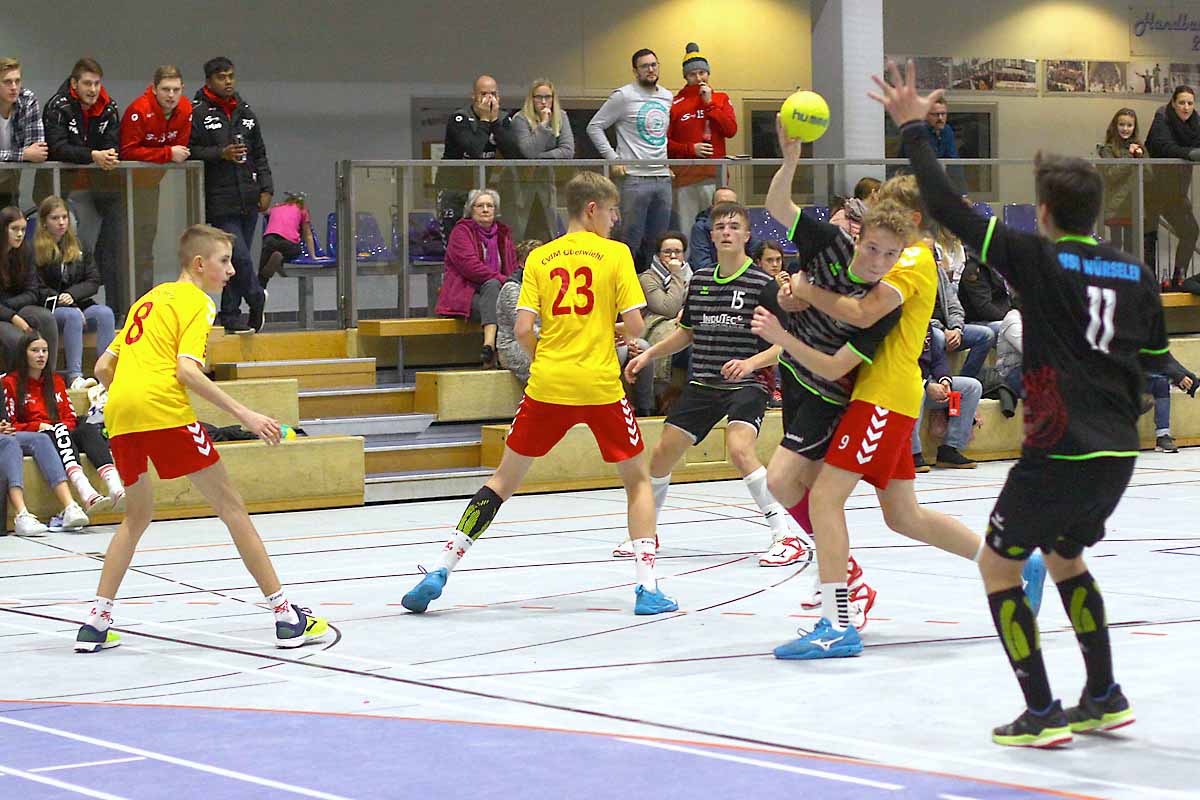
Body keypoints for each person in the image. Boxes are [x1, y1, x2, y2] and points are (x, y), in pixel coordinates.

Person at [878, 59, 1199, 747]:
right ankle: (1104, 695)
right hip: (1119, 451)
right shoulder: (1136, 271)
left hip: (1057, 448)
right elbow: (1153, 357)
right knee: (1064, 556)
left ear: (1045, 214)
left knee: (998, 566)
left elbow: (947, 206)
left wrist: (912, 128)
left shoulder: (1036, 255)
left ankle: (1042, 710)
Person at [761, 169, 1045, 660]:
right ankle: (1009, 563)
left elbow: (862, 312)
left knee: (825, 499)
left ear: (911, 217)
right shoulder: (900, 253)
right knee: (903, 516)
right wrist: (798, 288)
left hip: (883, 395)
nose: (878, 224)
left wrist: (805, 290)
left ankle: (837, 624)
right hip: (881, 392)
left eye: (887, 207)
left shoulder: (911, 259)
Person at [402, 172, 676, 615]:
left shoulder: (541, 257)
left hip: (548, 382)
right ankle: (648, 588)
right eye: (612, 212)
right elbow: (637, 325)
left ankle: (440, 568)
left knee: (502, 481)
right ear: (592, 209)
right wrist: (605, 331)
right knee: (638, 481)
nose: (615, 220)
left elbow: (523, 328)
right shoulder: (616, 254)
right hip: (599, 385)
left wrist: (547, 355)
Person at [74, 224, 330, 653]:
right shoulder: (198, 302)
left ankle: (95, 623)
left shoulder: (149, 299)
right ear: (199, 264)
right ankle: (287, 616)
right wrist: (246, 414)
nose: (231, 270)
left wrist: (133, 396)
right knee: (232, 508)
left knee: (136, 517)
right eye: (224, 261)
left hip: (120, 412)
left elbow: (102, 367)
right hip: (163, 409)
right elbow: (186, 371)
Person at [617, 200, 794, 563]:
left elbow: (786, 343)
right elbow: (686, 333)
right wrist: (649, 355)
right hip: (704, 383)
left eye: (734, 226)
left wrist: (749, 363)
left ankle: (785, 535)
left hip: (748, 382)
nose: (727, 232)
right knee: (661, 454)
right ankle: (646, 532)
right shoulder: (699, 280)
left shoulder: (763, 285)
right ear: (711, 236)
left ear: (746, 235)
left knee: (740, 449)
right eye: (720, 227)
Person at [189, 57, 273, 333]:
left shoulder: (245, 112)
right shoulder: (197, 112)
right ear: (209, 80)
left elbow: (259, 153)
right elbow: (191, 151)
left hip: (248, 195)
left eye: (231, 77)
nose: (228, 82)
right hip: (219, 198)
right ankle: (257, 296)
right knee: (238, 257)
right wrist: (220, 154)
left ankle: (231, 314)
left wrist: (266, 188)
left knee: (234, 261)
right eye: (221, 77)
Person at [4, 330, 120, 516]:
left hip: (61, 430)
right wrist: (37, 427)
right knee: (58, 432)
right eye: (35, 350)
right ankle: (86, 492)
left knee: (87, 428)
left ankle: (115, 486)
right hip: (38, 436)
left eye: (45, 351)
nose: (41, 355)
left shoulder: (55, 380)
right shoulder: (10, 383)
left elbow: (69, 415)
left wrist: (62, 427)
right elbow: (10, 425)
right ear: (23, 353)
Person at [42, 58, 124, 314]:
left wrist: (108, 155)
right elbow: (57, 147)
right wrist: (92, 156)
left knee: (93, 249)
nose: (93, 89)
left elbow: (114, 143)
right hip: (60, 186)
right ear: (74, 84)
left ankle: (99, 304)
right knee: (60, 244)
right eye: (87, 83)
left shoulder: (109, 107)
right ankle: (57, 301)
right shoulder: (58, 106)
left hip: (98, 190)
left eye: (97, 83)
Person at [587, 48, 674, 270]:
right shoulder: (623, 96)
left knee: (658, 243)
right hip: (634, 179)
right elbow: (594, 126)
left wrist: (668, 163)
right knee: (629, 241)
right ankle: (624, 286)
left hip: (662, 178)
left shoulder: (667, 96)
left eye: (654, 65)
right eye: (644, 66)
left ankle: (652, 288)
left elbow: (661, 135)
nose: (650, 70)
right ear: (635, 71)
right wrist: (614, 159)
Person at [120, 65, 192, 297]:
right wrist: (167, 153)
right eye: (165, 89)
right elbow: (127, 151)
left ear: (182, 89)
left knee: (146, 242)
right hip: (125, 186)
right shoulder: (139, 110)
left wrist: (168, 154)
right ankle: (128, 298)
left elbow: (182, 148)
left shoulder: (186, 108)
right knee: (129, 244)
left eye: (176, 90)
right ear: (154, 89)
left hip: (154, 184)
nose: (171, 95)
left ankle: (146, 295)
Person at [33, 195, 115, 390]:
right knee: (72, 316)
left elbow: (93, 280)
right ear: (44, 222)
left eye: (64, 217)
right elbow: (36, 286)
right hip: (51, 307)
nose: (61, 222)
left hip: (78, 302)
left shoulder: (79, 245)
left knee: (105, 313)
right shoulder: (35, 250)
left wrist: (72, 296)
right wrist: (65, 301)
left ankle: (107, 372)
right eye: (55, 218)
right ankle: (75, 376)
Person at [435, 189, 517, 368]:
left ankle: (489, 347)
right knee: (498, 298)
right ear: (471, 210)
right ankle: (498, 353)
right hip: (465, 294)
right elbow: (471, 268)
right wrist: (504, 280)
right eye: (480, 206)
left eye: (490, 206)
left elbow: (512, 266)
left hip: (495, 293)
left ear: (496, 210)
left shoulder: (503, 233)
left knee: (496, 291)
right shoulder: (460, 232)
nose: (485, 210)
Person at [667, 43, 737, 232]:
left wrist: (710, 104)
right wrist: (690, 149)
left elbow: (731, 130)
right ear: (685, 76)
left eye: (702, 73)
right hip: (685, 179)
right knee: (688, 230)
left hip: (715, 177)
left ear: (708, 73)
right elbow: (664, 143)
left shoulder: (721, 98)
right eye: (692, 74)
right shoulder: (675, 103)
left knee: (719, 228)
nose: (698, 78)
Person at [436, 75, 514, 238]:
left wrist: (495, 122)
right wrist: (485, 120)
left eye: (493, 94)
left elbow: (512, 153)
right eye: (484, 94)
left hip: (481, 189)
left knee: (481, 239)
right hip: (453, 189)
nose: (489, 99)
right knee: (455, 240)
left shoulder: (502, 118)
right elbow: (474, 150)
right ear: (473, 96)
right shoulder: (459, 118)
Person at [1144, 86, 1200, 289]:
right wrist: (1190, 154)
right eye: (1182, 102)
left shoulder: (1196, 122)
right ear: (1173, 103)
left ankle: (1179, 278)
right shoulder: (1162, 117)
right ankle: (1149, 283)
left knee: (1190, 231)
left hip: (1176, 193)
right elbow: (1162, 146)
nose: (1186, 107)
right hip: (1152, 190)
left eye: (1190, 103)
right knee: (1149, 237)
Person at [507, 79, 574, 242]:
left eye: (548, 97)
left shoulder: (561, 117)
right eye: (539, 97)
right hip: (521, 184)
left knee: (548, 231)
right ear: (531, 98)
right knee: (522, 232)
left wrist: (539, 158)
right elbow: (528, 150)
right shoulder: (520, 119)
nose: (544, 102)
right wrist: (543, 125)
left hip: (547, 181)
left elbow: (567, 151)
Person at [912, 321, 981, 471]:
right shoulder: (897, 324)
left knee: (971, 387)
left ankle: (950, 450)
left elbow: (938, 359)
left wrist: (944, 380)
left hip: (926, 382)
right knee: (917, 389)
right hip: (903, 384)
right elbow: (901, 365)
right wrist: (926, 385)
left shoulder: (926, 325)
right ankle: (912, 453)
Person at [0, 206, 58, 371]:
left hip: (17, 307)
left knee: (46, 318)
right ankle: (18, 383)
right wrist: (13, 317)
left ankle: (49, 376)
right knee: (18, 338)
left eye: (23, 229)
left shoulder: (26, 251)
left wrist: (10, 308)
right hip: (3, 315)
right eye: (14, 229)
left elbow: (33, 292)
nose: (20, 234)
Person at [930, 236, 995, 378]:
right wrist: (943, 330)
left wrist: (956, 329)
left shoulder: (939, 272)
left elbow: (954, 305)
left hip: (951, 327)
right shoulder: (910, 276)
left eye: (932, 253)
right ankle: (936, 380)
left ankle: (966, 380)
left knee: (986, 335)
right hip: (929, 330)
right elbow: (918, 317)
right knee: (938, 337)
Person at [1095, 108, 1145, 256]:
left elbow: (1149, 175)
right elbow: (1112, 174)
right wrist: (1130, 156)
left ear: (1134, 127)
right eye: (1121, 124)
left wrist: (1140, 157)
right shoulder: (1108, 149)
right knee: (1116, 246)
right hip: (1115, 204)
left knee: (1132, 247)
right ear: (1115, 126)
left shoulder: (1139, 148)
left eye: (1129, 125)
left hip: (1134, 203)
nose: (1125, 129)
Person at [0, 57, 48, 208]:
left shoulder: (27, 99)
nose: (14, 87)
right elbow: (29, 153)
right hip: (10, 172)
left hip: (8, 181)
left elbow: (38, 150)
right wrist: (23, 154)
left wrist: (24, 154)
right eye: (7, 82)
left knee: (10, 219)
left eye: (17, 81)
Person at [495, 239, 543, 385]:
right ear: (523, 263)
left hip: (544, 341)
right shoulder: (512, 288)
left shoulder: (549, 284)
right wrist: (555, 337)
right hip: (514, 345)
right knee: (552, 361)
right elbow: (524, 328)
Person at [895, 97, 965, 192]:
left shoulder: (947, 130)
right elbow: (918, 164)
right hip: (909, 183)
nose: (940, 118)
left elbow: (953, 163)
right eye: (935, 115)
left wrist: (962, 193)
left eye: (943, 114)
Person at [689, 186, 761, 270]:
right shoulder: (700, 227)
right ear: (712, 206)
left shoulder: (744, 224)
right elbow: (701, 263)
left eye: (731, 204)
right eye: (722, 204)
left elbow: (757, 254)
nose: (727, 207)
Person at [259, 192, 317, 294]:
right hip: (288, 242)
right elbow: (308, 235)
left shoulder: (276, 208)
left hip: (269, 239)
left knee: (262, 272)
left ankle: (259, 294)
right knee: (296, 251)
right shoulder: (302, 210)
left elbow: (264, 212)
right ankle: (280, 260)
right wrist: (313, 256)